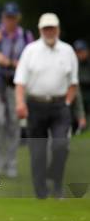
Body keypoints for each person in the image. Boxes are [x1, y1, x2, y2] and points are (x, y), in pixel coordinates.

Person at [15, 13, 79, 199]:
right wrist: (20, 103)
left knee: (61, 145)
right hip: (35, 104)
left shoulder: (67, 51)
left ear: (58, 29)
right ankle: (41, 191)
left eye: (52, 28)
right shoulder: (30, 50)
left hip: (60, 104)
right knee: (38, 152)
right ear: (40, 30)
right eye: (46, 29)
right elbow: (20, 82)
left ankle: (57, 183)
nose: (49, 32)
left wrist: (67, 103)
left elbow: (73, 84)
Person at [0, 3, 34, 177]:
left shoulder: (26, 36)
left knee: (14, 123)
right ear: (2, 17)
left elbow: (31, 63)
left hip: (16, 81)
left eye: (13, 18)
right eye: (7, 17)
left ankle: (11, 162)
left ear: (17, 18)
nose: (9, 21)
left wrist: (10, 63)